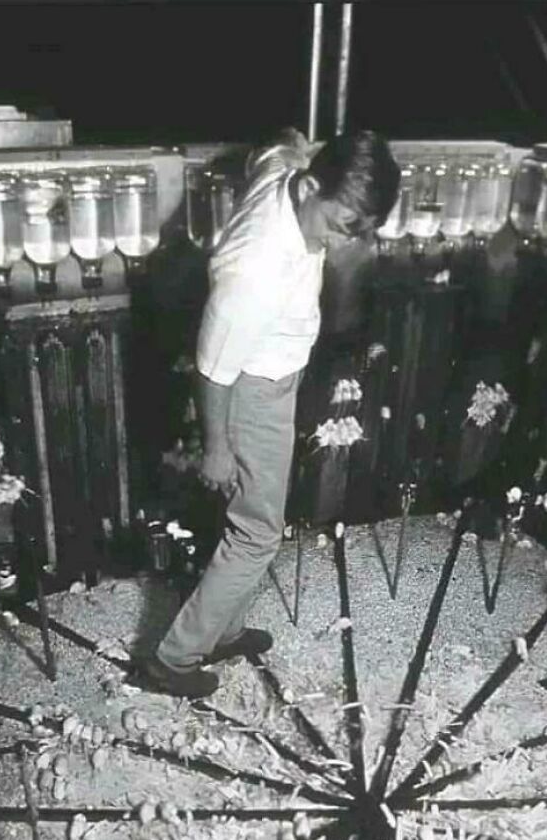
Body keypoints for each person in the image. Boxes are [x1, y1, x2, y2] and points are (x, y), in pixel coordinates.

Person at [143, 127, 401, 698]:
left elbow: (278, 144)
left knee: (250, 525)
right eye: (344, 225)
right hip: (249, 391)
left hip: (274, 379)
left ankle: (220, 630)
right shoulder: (255, 269)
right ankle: (173, 657)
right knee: (258, 532)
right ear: (310, 188)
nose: (346, 242)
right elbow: (213, 369)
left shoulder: (288, 171)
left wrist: (299, 143)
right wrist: (217, 447)